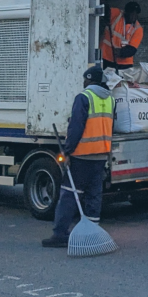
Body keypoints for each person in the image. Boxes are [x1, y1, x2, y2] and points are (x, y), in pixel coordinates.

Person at [43, 65, 114, 247]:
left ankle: (60, 234)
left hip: (82, 156)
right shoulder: (110, 100)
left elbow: (76, 128)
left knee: (69, 195)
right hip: (101, 155)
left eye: (85, 79)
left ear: (89, 79)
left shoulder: (84, 98)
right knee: (93, 197)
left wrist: (67, 151)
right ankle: (90, 235)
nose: (83, 82)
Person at [100, 1, 143, 71]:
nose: (133, 16)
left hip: (125, 64)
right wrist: (106, 15)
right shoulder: (117, 14)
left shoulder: (138, 29)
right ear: (125, 12)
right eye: (131, 13)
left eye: (135, 14)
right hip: (106, 58)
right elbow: (105, 9)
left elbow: (132, 49)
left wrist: (120, 52)